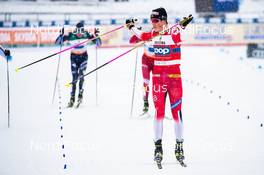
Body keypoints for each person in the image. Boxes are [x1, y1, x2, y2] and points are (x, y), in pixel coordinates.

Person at [126, 8, 192, 167]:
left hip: (174, 79)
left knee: (177, 114)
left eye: (155, 21)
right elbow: (140, 36)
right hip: (158, 79)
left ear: (163, 20)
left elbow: (180, 30)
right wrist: (131, 27)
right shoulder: (152, 34)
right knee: (159, 113)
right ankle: (158, 147)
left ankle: (179, 146)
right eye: (151, 20)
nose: (153, 23)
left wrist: (182, 25)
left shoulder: (174, 31)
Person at [56, 22, 102, 107]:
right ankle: (72, 98)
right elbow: (58, 42)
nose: (79, 33)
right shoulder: (70, 35)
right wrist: (61, 35)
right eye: (78, 31)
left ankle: (80, 96)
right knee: (74, 78)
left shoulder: (87, 34)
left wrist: (97, 36)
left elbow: (99, 44)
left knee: (81, 75)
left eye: (81, 31)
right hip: (73, 58)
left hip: (83, 57)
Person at [129, 32, 154, 114]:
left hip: (157, 61)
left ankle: (159, 106)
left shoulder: (162, 36)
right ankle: (145, 102)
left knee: (158, 84)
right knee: (146, 83)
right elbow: (131, 41)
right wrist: (136, 34)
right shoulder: (147, 35)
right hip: (146, 61)